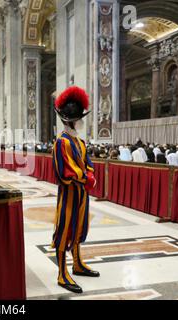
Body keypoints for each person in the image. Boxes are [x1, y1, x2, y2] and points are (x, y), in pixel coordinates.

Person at [51, 86, 99, 294]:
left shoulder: (79, 141)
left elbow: (88, 163)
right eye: (78, 118)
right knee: (64, 229)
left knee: (79, 228)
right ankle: (62, 272)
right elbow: (64, 171)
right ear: (70, 120)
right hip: (69, 194)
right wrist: (85, 177)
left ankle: (77, 263)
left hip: (82, 194)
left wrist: (90, 175)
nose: (81, 121)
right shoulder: (61, 142)